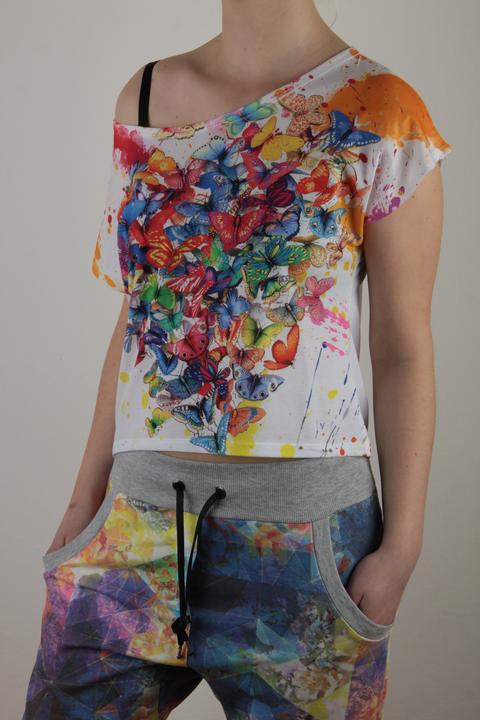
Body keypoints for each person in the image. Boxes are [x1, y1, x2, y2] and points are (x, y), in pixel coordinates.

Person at [21, 1, 452, 717]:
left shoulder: (381, 110)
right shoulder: (146, 96)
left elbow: (402, 345)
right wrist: (83, 500)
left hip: (310, 549)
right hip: (131, 532)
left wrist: (403, 545)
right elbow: (140, 313)